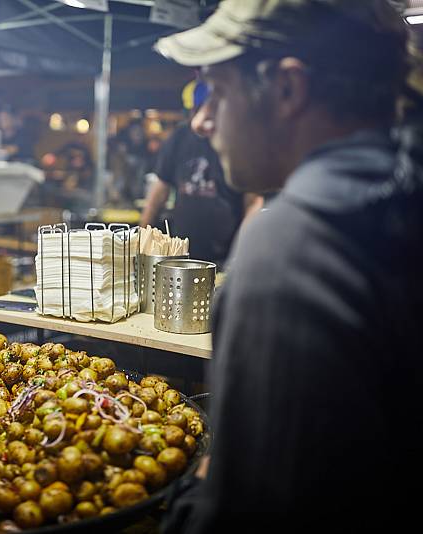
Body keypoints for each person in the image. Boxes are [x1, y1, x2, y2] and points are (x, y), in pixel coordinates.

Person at [154, 1, 422, 532]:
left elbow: (251, 512)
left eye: (219, 92)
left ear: (286, 89)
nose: (202, 121)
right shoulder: (399, 196)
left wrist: (202, 482)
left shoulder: (296, 250)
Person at [139, 81, 262, 264]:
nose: (198, 122)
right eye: (195, 111)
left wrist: (240, 255)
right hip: (180, 256)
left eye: (208, 111)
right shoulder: (180, 137)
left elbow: (253, 202)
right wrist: (141, 243)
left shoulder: (237, 141)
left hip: (222, 259)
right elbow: (158, 192)